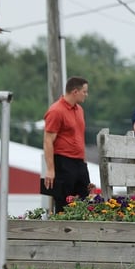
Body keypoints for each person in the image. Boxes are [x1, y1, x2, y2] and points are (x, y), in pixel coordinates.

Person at [43, 76, 91, 213]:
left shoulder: (79, 110)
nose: (86, 95)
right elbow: (48, 141)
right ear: (75, 92)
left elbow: (80, 137)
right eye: (84, 91)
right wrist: (50, 170)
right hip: (63, 161)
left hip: (79, 162)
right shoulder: (56, 111)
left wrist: (84, 161)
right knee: (64, 202)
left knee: (84, 200)